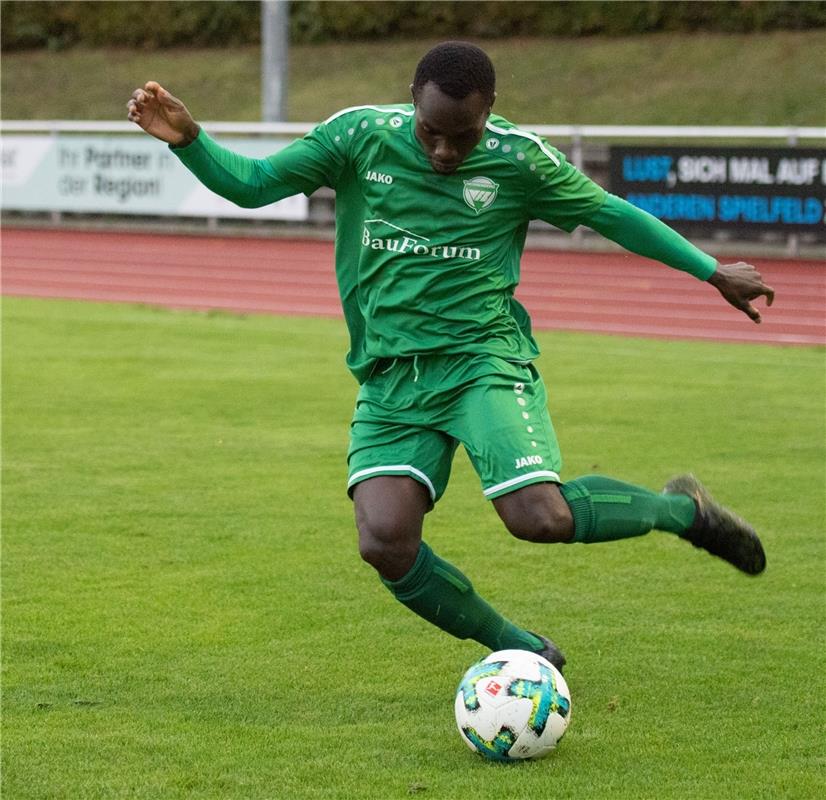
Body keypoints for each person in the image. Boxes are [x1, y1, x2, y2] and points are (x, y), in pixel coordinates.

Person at [128, 41, 773, 672]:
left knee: (538, 517)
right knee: (383, 539)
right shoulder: (358, 137)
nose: (444, 151)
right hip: (390, 378)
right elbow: (254, 185)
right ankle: (518, 647)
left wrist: (711, 270)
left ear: (488, 112)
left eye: (461, 137)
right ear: (412, 99)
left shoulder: (522, 162)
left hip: (480, 360)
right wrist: (190, 141)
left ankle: (683, 512)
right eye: (432, 132)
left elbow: (612, 216)